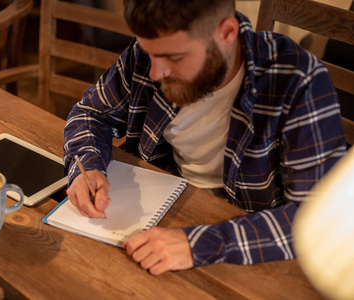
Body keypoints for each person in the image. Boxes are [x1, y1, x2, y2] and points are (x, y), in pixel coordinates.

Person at [63, 0, 346, 275]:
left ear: (226, 33)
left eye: (174, 58)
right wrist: (87, 167)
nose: (155, 73)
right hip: (164, 209)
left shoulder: (298, 82)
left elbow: (319, 219)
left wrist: (198, 244)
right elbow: (91, 114)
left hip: (251, 244)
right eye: (150, 53)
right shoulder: (150, 51)